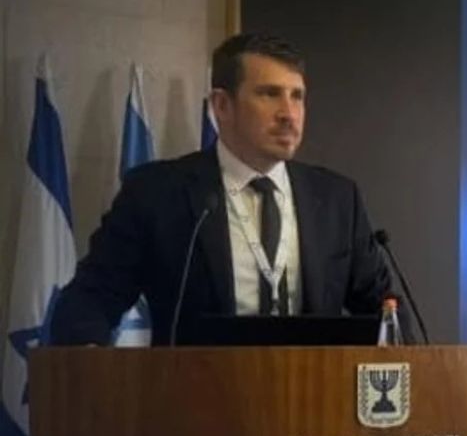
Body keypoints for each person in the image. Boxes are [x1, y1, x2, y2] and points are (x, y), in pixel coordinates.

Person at [51, 33, 393, 345]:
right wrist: (89, 354)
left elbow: (384, 309)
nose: (289, 114)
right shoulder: (157, 193)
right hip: (197, 389)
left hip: (313, 390)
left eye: (297, 96)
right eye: (269, 94)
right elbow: (90, 299)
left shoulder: (336, 199)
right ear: (222, 106)